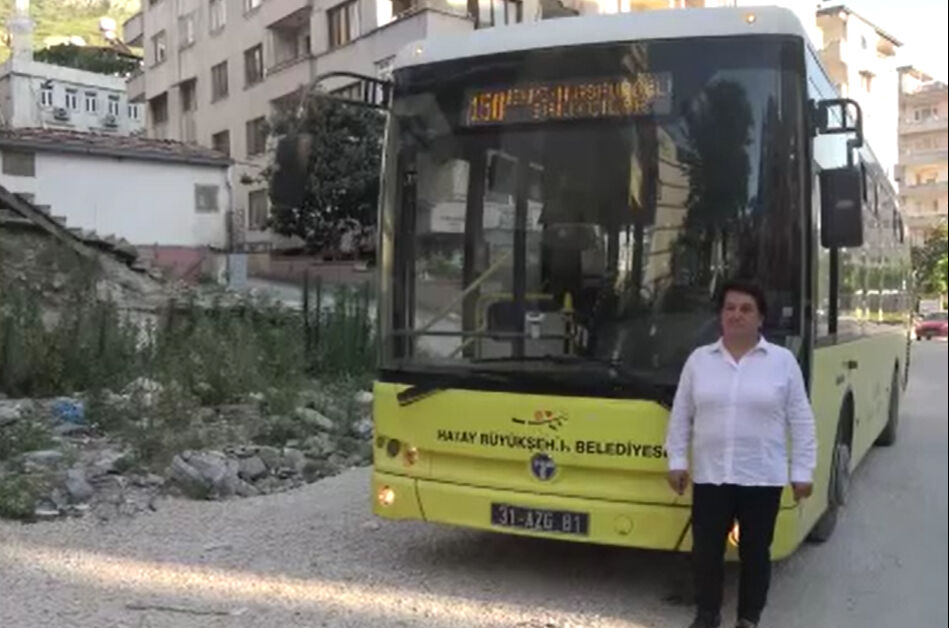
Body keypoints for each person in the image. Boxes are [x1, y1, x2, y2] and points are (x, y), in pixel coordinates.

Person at [664, 279, 817, 628]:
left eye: (746, 309)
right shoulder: (699, 361)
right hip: (711, 474)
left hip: (761, 476)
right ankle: (707, 615)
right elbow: (681, 414)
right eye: (730, 308)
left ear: (761, 318)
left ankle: (748, 618)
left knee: (755, 553)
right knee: (705, 553)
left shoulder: (782, 362)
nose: (737, 315)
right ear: (720, 315)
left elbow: (802, 420)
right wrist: (677, 461)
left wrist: (802, 471)